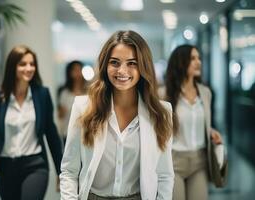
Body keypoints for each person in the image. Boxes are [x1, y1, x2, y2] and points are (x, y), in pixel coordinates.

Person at [60, 30, 174, 200]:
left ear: (143, 66)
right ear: (105, 66)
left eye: (132, 63)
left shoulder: (161, 113)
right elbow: (69, 170)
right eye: (115, 62)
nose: (122, 70)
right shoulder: (83, 108)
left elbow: (164, 174)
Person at [0, 45, 63, 200]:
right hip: (5, 167)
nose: (29, 68)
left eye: (32, 64)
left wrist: (61, 171)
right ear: (13, 67)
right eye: (23, 64)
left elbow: (51, 134)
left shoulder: (42, 95)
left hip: (35, 165)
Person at [163, 44, 222, 200]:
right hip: (174, 161)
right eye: (192, 58)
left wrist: (211, 131)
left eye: (199, 58)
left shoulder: (205, 92)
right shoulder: (165, 94)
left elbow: (204, 121)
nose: (198, 62)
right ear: (180, 62)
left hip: (199, 161)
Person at [56, 60, 87, 145]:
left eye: (80, 69)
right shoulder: (64, 93)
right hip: (68, 133)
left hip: (86, 134)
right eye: (75, 70)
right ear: (69, 73)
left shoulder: (89, 91)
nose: (78, 73)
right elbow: (60, 115)